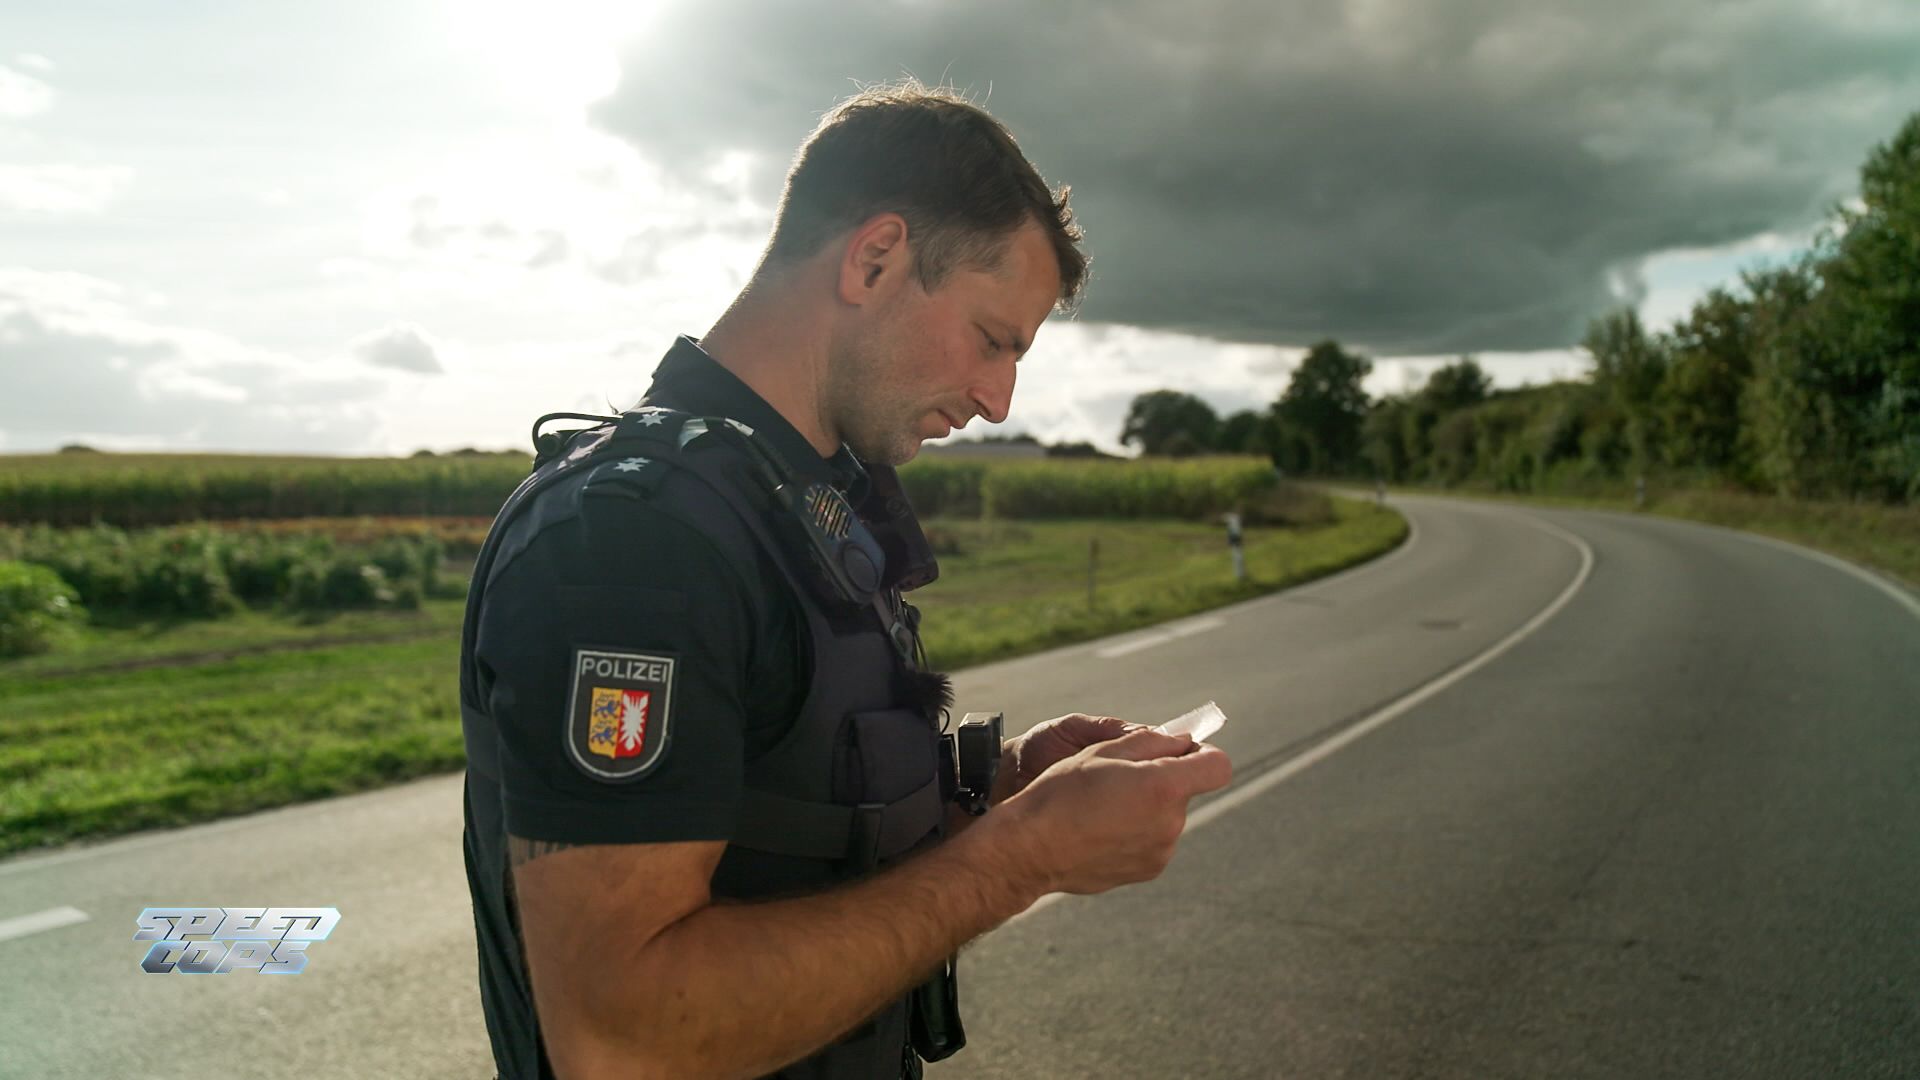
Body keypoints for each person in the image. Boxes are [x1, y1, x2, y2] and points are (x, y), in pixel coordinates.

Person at [458, 79, 1233, 1080]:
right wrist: (1020, 859)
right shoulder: (634, 541)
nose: (998, 399)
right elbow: (623, 1036)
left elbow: (784, 822)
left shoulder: (796, 503)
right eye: (993, 340)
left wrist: (994, 796)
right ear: (874, 260)